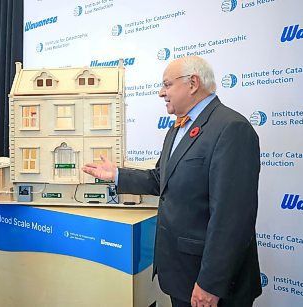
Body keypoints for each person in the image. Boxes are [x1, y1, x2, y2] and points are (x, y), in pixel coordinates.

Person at [83, 56, 261, 307]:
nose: (160, 92)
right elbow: (161, 180)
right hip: (182, 276)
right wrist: (117, 175)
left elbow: (232, 217)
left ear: (193, 83)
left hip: (212, 285)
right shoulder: (177, 129)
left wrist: (210, 283)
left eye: (166, 84)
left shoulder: (231, 128)